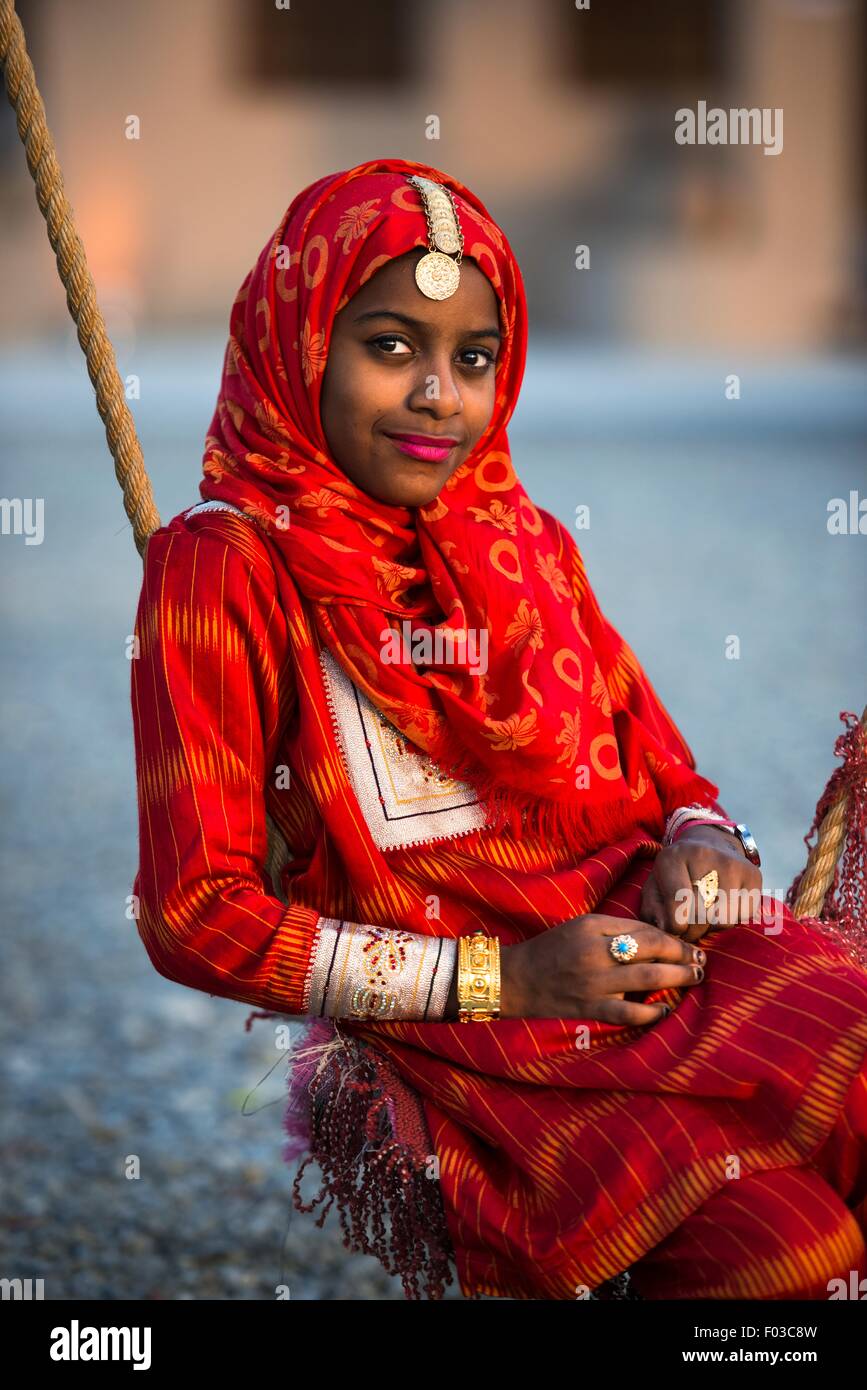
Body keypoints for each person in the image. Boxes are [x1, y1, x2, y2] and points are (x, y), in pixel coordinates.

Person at [130, 157, 867, 1302]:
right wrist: (507, 978)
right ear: (302, 341)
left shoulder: (522, 541)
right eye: (390, 347)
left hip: (660, 960)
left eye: (472, 359)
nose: (441, 396)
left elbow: (665, 761)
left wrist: (702, 844)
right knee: (787, 1258)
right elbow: (192, 914)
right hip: (479, 1046)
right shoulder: (221, 569)